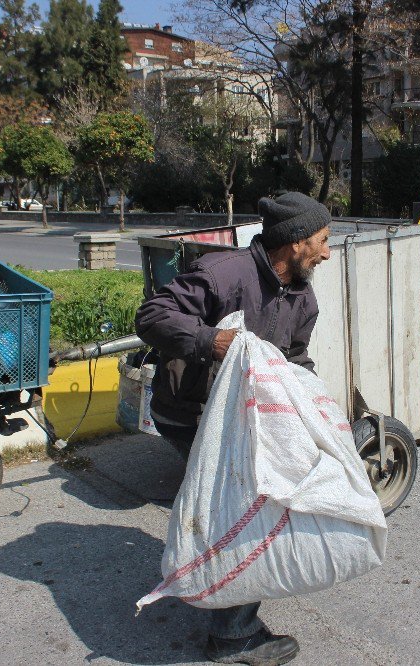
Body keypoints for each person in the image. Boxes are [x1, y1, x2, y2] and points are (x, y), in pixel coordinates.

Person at [134, 191, 332, 665]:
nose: (327, 252)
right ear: (296, 241)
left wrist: (315, 405)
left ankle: (211, 583)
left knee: (238, 509)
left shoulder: (302, 295)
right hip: (192, 414)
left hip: (248, 418)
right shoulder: (224, 273)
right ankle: (233, 637)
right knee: (253, 509)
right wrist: (210, 340)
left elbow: (295, 357)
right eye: (323, 241)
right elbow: (152, 316)